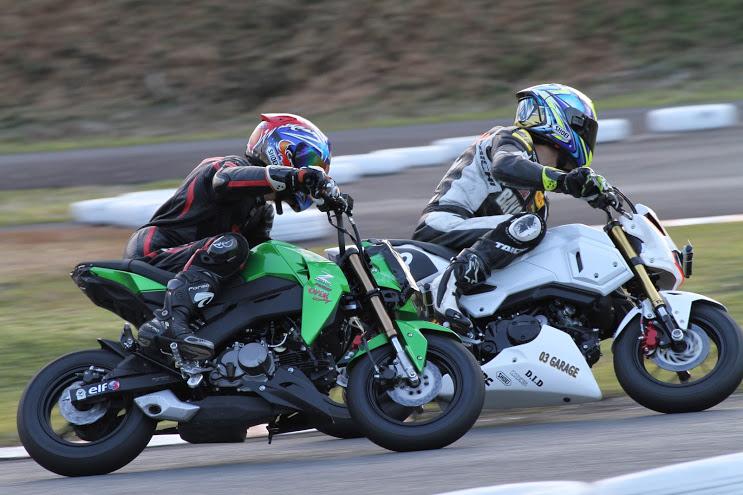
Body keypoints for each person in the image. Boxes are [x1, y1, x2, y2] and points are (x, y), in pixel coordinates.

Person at [125, 113, 338, 359]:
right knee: (233, 245)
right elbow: (225, 181)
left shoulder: (261, 211)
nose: (311, 171)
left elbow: (258, 265)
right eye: (308, 162)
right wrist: (293, 177)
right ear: (282, 150)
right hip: (155, 251)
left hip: (188, 263)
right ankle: (169, 322)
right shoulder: (226, 165)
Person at [413, 83, 610, 329]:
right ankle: (446, 286)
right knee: (531, 226)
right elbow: (505, 166)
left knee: (541, 239)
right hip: (443, 222)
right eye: (586, 129)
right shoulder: (513, 138)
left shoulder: (539, 201)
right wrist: (564, 182)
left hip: (466, 239)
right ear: (566, 121)